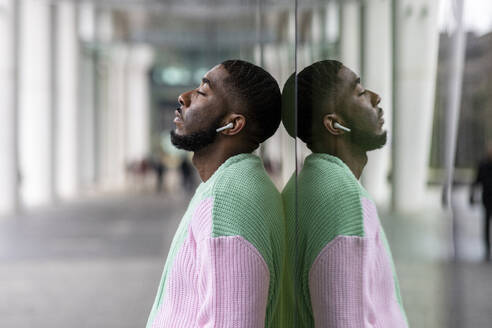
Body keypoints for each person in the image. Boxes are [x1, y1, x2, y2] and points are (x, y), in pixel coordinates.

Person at [146, 59, 285, 328]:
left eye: (202, 92)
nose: (184, 97)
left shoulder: (230, 201)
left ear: (232, 124)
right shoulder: (231, 185)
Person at [281, 60, 408, 327]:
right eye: (360, 92)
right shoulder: (341, 198)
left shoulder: (306, 183)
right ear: (335, 124)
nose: (376, 97)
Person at [470, 144, 492, 261]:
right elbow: (476, 181)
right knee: (486, 225)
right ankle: (487, 249)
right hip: (487, 200)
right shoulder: (483, 165)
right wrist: (472, 196)